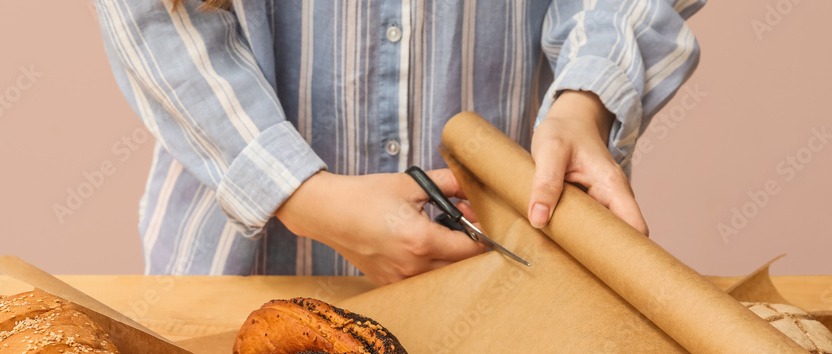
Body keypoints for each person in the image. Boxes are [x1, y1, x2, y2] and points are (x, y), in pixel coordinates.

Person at [95, 0, 705, 284]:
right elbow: (153, 18)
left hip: (502, 274)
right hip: (242, 271)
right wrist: (298, 192)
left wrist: (585, 100)